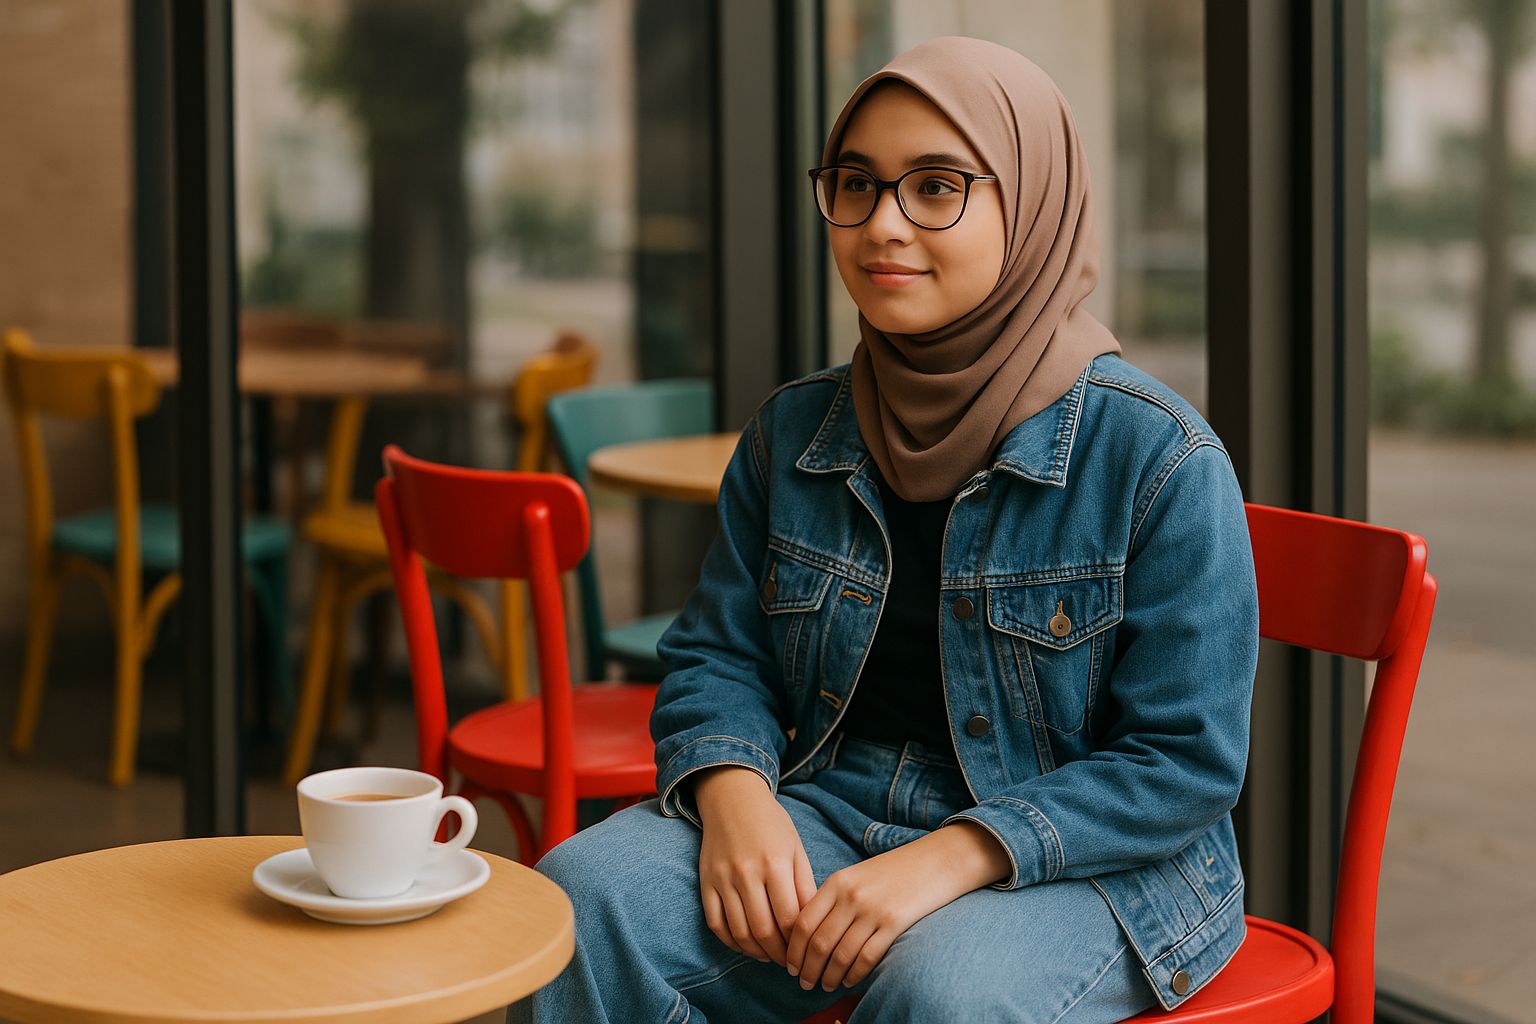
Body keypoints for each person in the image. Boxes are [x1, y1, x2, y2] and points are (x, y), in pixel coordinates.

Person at [510, 35, 1258, 1024]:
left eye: (936, 187)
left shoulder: (1158, 456)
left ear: (1033, 206)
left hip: (1100, 866)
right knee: (580, 899)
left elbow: (1183, 760)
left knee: (938, 990)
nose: (882, 226)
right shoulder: (793, 430)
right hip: (842, 807)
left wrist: (952, 856)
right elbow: (718, 654)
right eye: (856, 184)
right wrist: (732, 792)